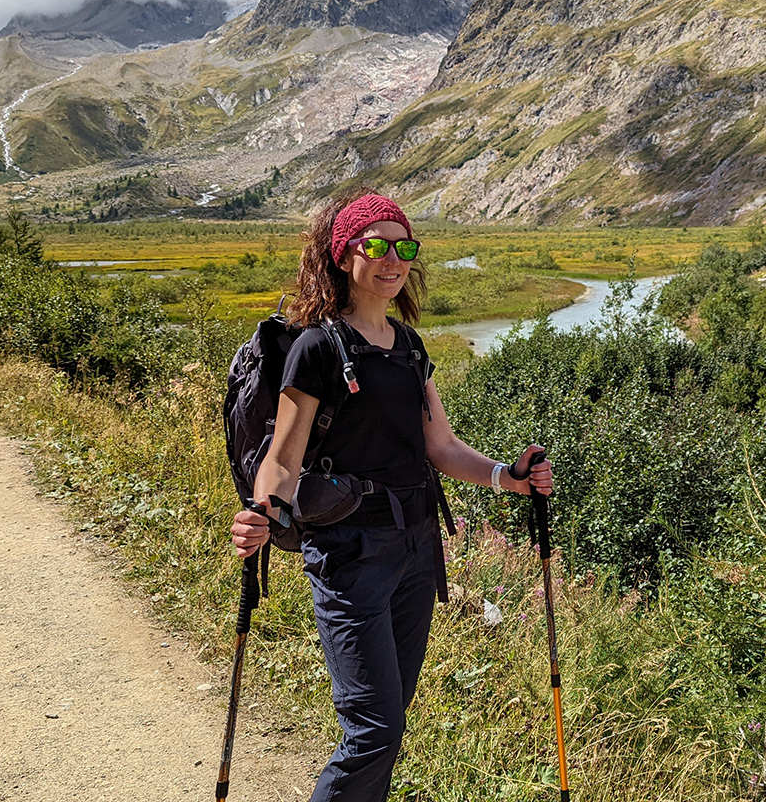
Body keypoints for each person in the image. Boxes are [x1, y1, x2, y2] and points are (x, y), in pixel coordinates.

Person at [230, 188, 553, 802]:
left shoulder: (409, 346)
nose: (391, 258)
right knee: (374, 731)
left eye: (403, 245)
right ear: (342, 255)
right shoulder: (318, 348)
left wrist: (505, 476)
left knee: (389, 720)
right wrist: (259, 513)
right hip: (349, 556)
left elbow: (442, 447)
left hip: (414, 552)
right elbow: (283, 458)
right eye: (374, 245)